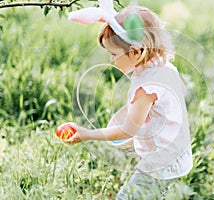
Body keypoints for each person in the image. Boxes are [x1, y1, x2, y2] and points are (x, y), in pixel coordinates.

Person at [67, 3, 193, 199]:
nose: (111, 60)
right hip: (175, 155)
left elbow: (127, 130)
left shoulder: (147, 87)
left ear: (135, 52)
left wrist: (86, 134)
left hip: (160, 163)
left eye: (114, 54)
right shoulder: (162, 65)